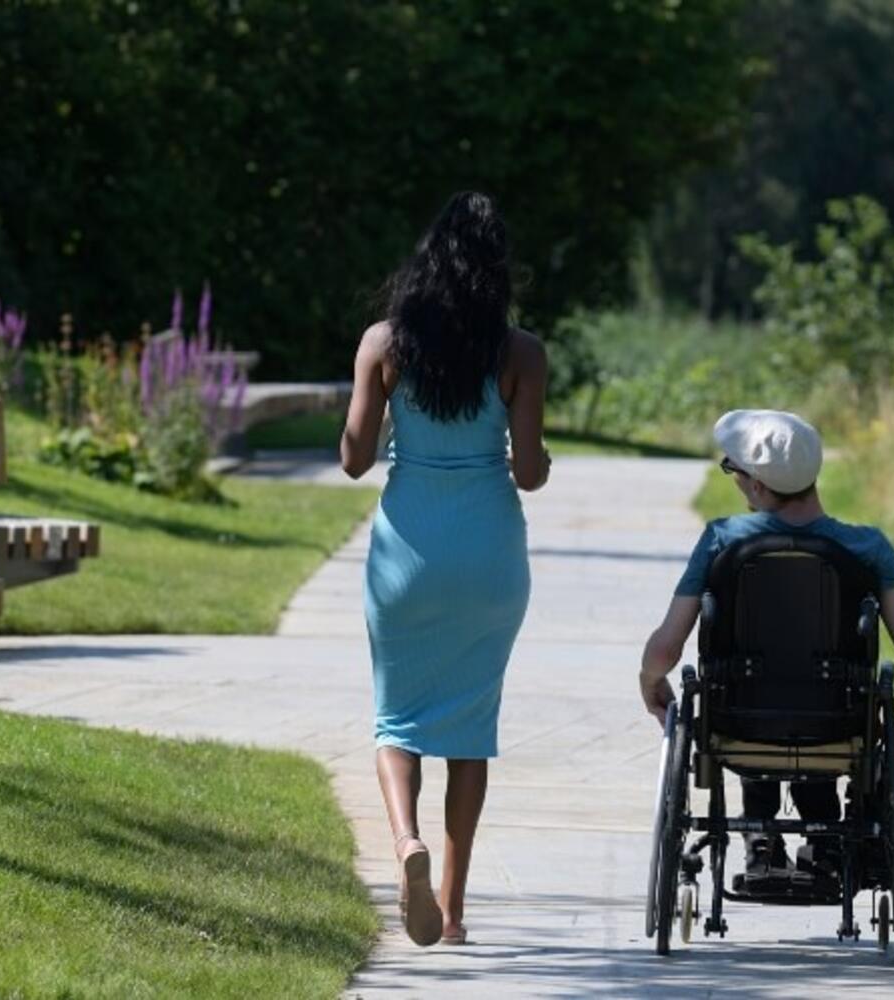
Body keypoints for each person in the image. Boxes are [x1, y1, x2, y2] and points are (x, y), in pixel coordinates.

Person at [341, 191, 552, 947]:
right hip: (488, 555)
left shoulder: (384, 343)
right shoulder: (521, 353)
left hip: (407, 551)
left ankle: (406, 843)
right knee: (470, 729)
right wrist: (540, 456)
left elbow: (354, 459)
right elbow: (527, 474)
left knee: (397, 720)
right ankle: (453, 913)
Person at [636, 409, 894, 881]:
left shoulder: (721, 541)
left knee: (751, 692)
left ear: (758, 486)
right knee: (822, 705)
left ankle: (761, 841)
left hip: (738, 720)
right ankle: (827, 843)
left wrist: (650, 680)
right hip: (840, 725)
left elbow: (663, 653)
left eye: (734, 471)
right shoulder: (868, 549)